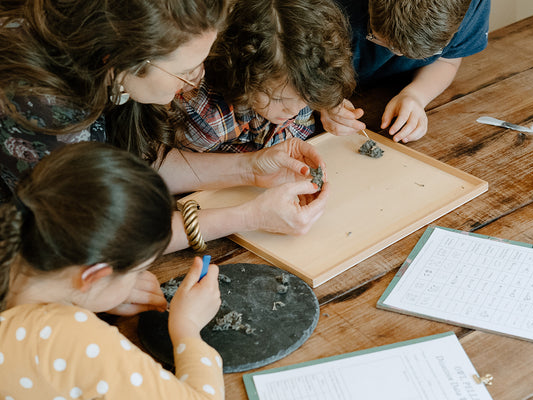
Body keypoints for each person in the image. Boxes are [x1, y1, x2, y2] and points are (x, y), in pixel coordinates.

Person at [0, 0, 329, 257]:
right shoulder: (37, 102)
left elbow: (138, 162)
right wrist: (249, 216)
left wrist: (250, 168)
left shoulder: (107, 60)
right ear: (124, 58)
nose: (198, 79)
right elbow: (98, 239)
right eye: (187, 70)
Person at [0, 142, 224, 399]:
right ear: (93, 276)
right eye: (137, 270)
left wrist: (88, 298)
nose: (138, 279)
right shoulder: (72, 340)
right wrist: (187, 328)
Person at [176, 0, 355, 153]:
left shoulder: (298, 85)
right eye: (277, 99)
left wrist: (324, 104)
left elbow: (301, 128)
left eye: (305, 99)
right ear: (243, 78)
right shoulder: (206, 118)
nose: (293, 110)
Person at [322, 0, 490, 143]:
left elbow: (447, 59)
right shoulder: (324, 6)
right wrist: (320, 98)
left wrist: (417, 95)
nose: (397, 54)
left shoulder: (474, 6)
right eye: (380, 40)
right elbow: (296, 61)